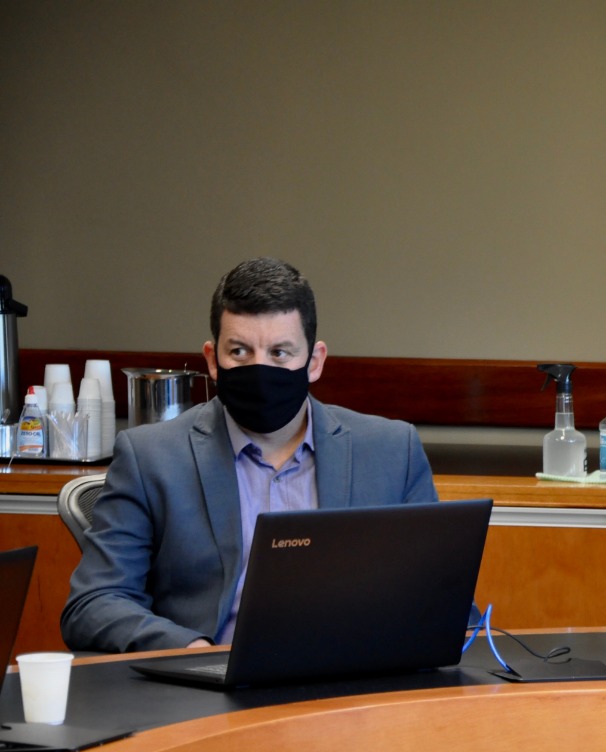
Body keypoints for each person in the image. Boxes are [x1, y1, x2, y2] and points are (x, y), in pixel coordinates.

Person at [62, 258, 439, 652]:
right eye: (240, 351)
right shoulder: (150, 458)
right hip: (207, 689)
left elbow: (439, 601)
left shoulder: (393, 451)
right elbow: (94, 603)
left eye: (280, 353)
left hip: (351, 690)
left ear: (314, 361)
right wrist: (191, 651)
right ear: (212, 359)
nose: (260, 369)